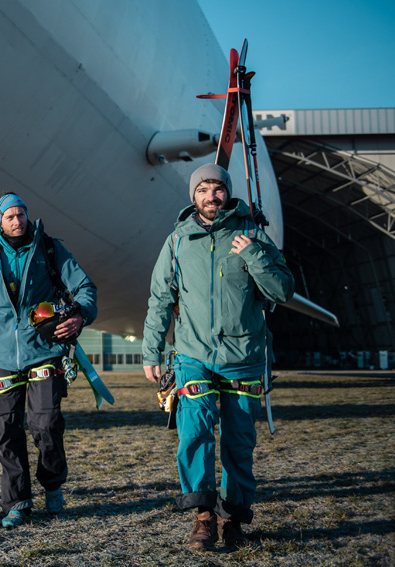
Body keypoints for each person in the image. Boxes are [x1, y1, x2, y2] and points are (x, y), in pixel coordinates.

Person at [142, 163, 294, 550]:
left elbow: (282, 291)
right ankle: (203, 516)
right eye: (203, 190)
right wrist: (151, 350)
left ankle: (234, 520)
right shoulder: (177, 241)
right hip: (192, 355)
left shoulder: (253, 235)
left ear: (228, 193)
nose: (212, 196)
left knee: (239, 443)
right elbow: (161, 299)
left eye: (218, 189)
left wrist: (256, 255)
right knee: (194, 434)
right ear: (193, 197)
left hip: (243, 356)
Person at [0, 192, 97, 529]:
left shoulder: (50, 249)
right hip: (3, 355)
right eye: (10, 217)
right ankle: (18, 502)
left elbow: (85, 287)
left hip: (44, 351)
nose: (18, 221)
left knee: (46, 424)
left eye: (21, 214)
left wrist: (80, 315)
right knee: (6, 431)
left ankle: (52, 483)